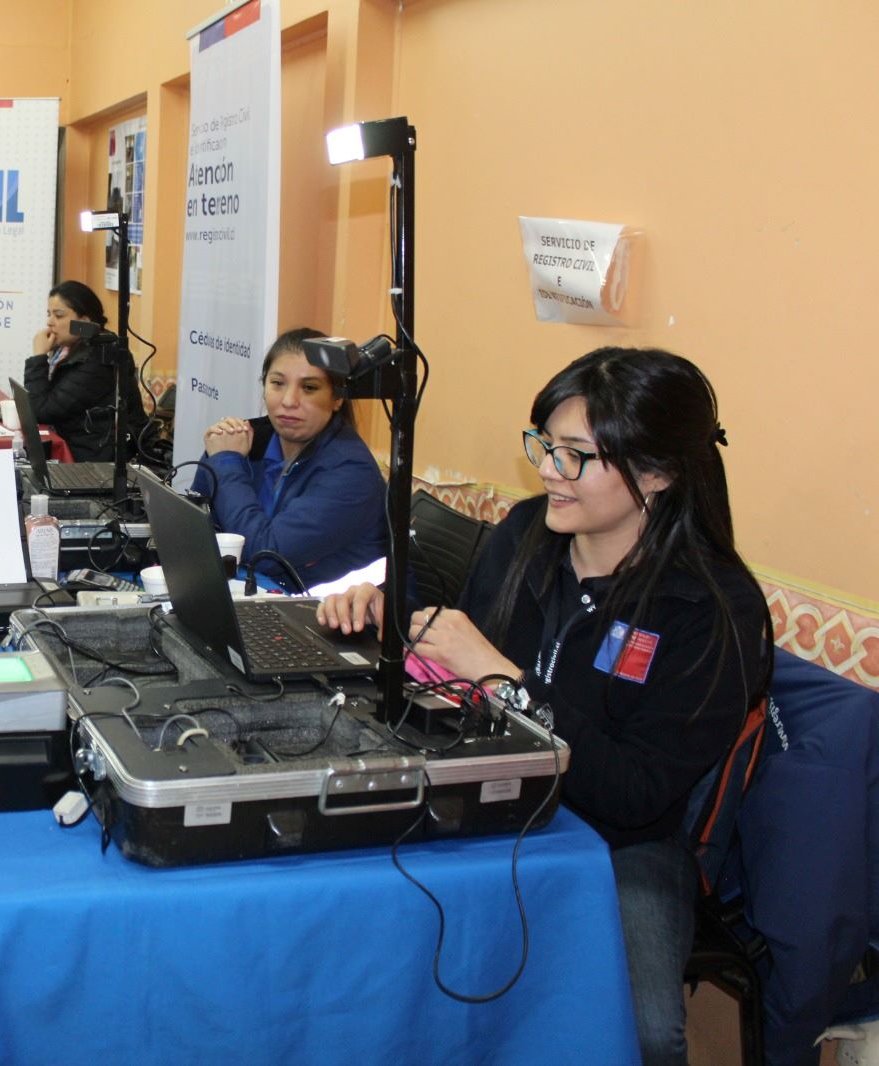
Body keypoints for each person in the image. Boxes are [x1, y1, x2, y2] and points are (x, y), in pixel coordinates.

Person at [317, 347, 769, 1065]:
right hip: (484, 793)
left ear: (657, 472)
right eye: (545, 447)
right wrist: (386, 621)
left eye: (576, 456)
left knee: (641, 1032)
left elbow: (636, 793)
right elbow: (450, 673)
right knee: (369, 931)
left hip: (622, 844)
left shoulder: (710, 609)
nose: (549, 470)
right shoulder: (528, 534)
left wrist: (503, 681)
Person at [189, 327, 387, 588]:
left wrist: (227, 462)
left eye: (309, 387)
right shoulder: (248, 439)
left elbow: (266, 555)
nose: (289, 400)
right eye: (278, 383)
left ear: (337, 398)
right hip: (258, 595)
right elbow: (197, 526)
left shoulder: (351, 473)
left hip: (329, 616)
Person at [23, 279, 146, 462]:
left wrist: (38, 358)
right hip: (78, 444)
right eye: (49, 314)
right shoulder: (68, 349)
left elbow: (42, 410)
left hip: (96, 458)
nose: (50, 322)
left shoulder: (99, 359)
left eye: (59, 315)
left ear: (84, 321)